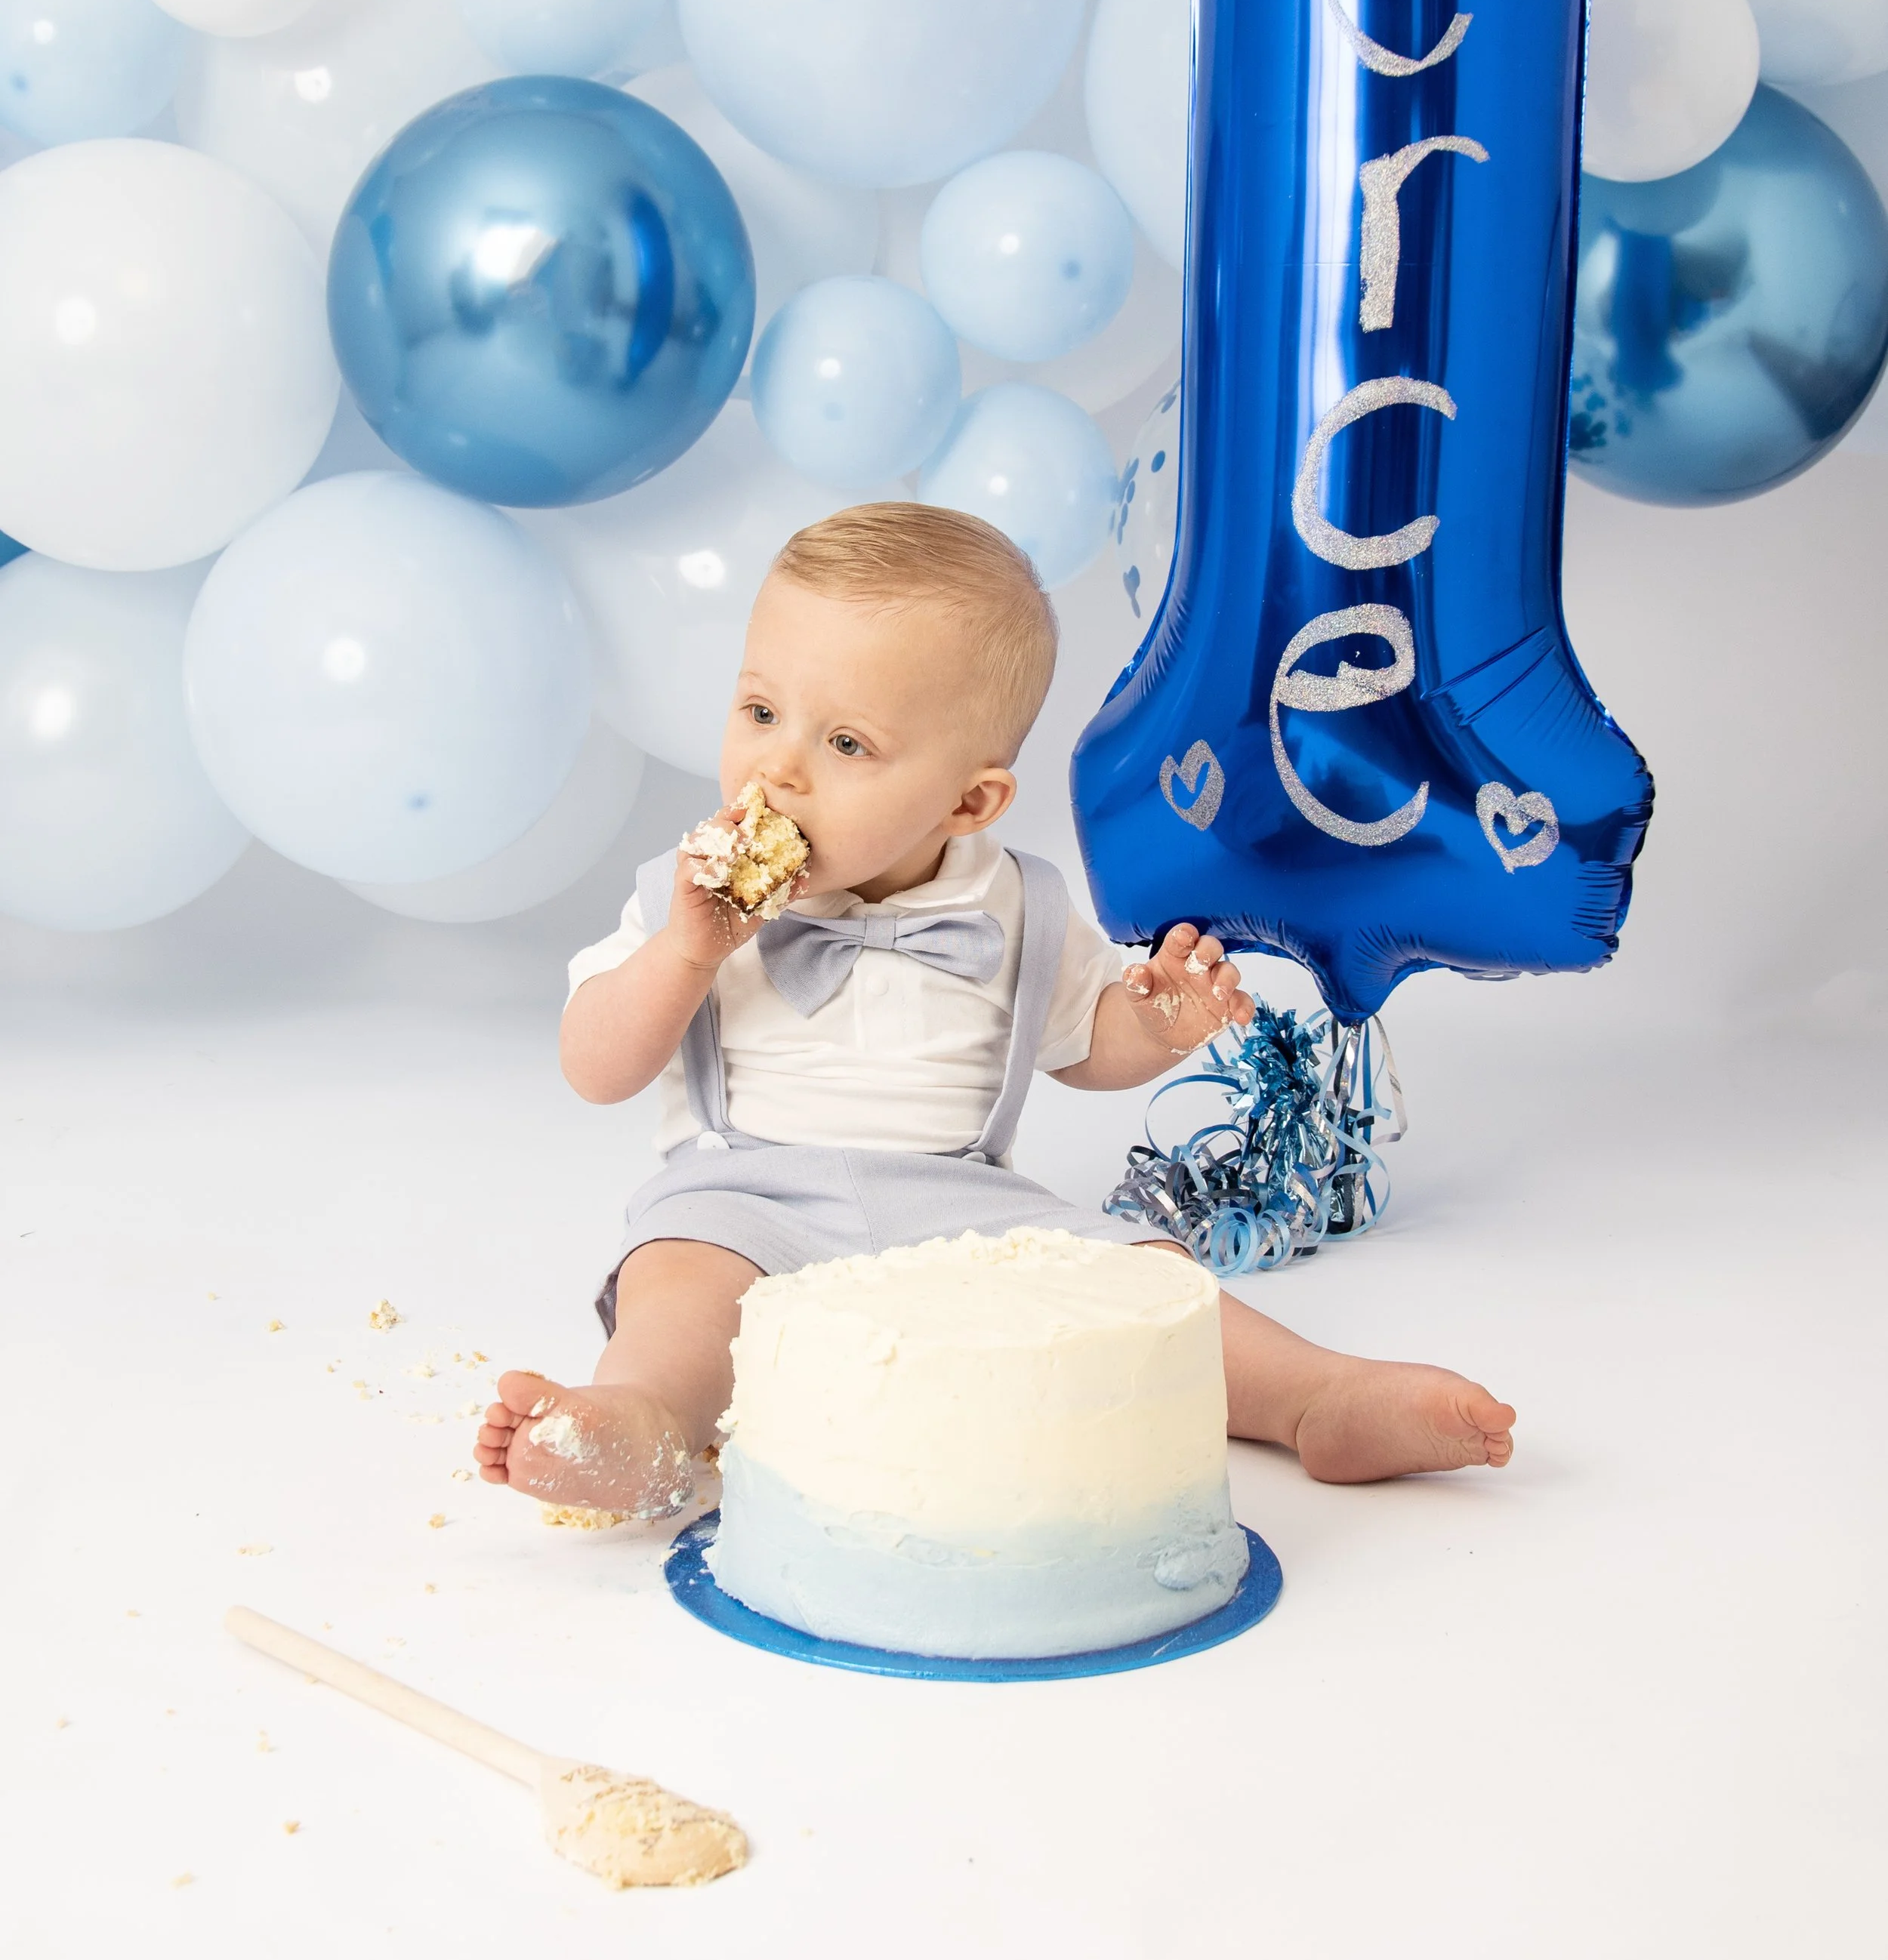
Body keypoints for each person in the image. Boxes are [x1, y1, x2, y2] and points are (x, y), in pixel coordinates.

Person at [478, 503, 1514, 1515]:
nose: (778, 767)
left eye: (846, 744)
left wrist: (1153, 1024)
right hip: (743, 1199)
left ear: (970, 803)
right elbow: (596, 1065)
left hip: (961, 1201)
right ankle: (640, 1425)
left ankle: (1314, 1395)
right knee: (678, 1290)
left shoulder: (1018, 902)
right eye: (759, 712)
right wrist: (683, 952)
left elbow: (1080, 1046)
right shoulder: (684, 895)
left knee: (1146, 1276)